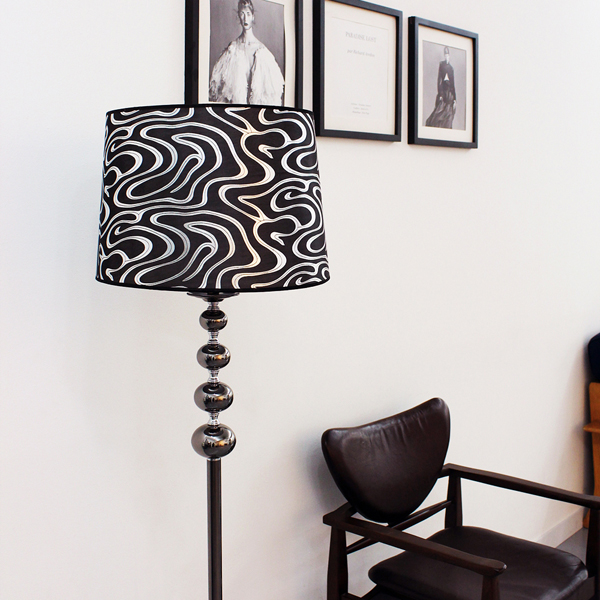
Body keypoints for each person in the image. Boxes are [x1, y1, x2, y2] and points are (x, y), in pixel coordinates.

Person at [209, 0, 285, 105]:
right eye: (242, 14)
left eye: (248, 14)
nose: (245, 18)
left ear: (253, 17)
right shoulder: (232, 50)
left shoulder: (262, 52)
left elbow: (272, 95)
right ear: (238, 16)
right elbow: (220, 91)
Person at [425, 46, 456, 129]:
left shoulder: (451, 68)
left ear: (449, 56)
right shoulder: (442, 65)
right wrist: (441, 93)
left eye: (447, 55)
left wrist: (455, 99)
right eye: (445, 55)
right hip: (443, 92)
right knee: (439, 112)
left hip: (450, 94)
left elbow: (453, 84)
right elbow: (439, 81)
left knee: (449, 115)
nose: (446, 57)